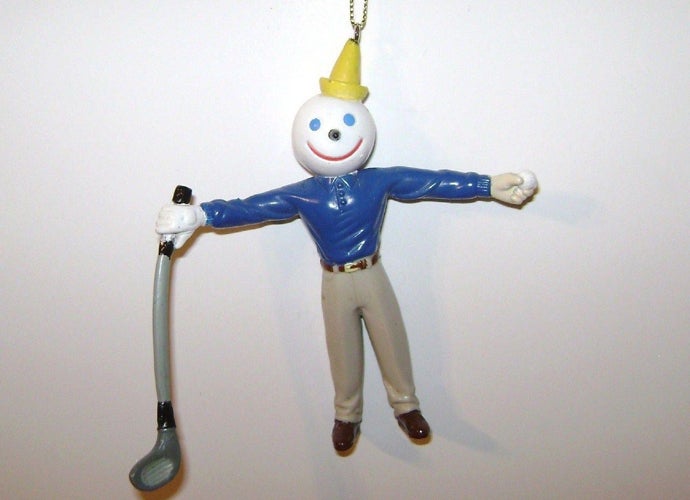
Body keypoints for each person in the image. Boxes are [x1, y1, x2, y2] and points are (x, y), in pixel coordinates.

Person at [156, 40, 537, 453]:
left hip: (372, 273)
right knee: (342, 350)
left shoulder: (378, 180)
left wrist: (487, 185)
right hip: (334, 281)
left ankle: (406, 405)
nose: (333, 135)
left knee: (392, 340)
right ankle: (346, 414)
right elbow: (252, 207)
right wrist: (200, 215)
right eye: (319, 127)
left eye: (344, 125)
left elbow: (432, 181)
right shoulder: (302, 194)